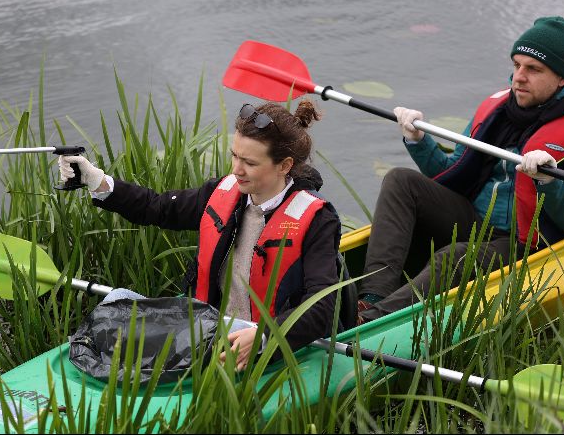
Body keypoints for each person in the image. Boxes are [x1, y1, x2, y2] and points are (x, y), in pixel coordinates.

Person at [58, 100, 353, 371]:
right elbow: (157, 207)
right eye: (235, 156)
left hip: (260, 341)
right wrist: (96, 179)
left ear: (285, 165)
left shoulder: (317, 219)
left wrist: (265, 337)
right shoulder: (223, 192)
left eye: (250, 163)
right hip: (208, 329)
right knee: (118, 299)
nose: (237, 170)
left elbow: (322, 305)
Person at [357, 16, 564, 323]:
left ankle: (371, 322)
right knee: (400, 180)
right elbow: (452, 172)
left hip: (524, 240)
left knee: (452, 259)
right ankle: (369, 298)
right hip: (475, 217)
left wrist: (549, 181)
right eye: (517, 64)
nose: (519, 77)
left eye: (533, 69)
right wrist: (419, 140)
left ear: (561, 77)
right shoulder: (496, 108)